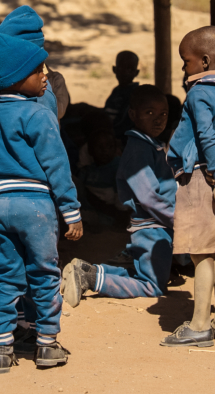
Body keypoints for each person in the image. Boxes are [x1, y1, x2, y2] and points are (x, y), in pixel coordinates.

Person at [0, 31, 82, 373]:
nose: (45, 76)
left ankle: (1, 347)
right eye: (38, 71)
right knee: (45, 275)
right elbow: (57, 167)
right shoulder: (39, 115)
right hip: (37, 206)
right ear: (18, 78)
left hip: (2, 205)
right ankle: (46, 344)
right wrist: (71, 211)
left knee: (7, 276)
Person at [161, 26, 215, 348]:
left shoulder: (198, 94)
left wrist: (214, 175)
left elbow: (206, 136)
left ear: (205, 61)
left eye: (186, 61)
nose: (184, 67)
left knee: (200, 255)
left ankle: (199, 326)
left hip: (199, 180)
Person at [63, 85, 175, 303]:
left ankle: (89, 271)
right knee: (152, 286)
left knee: (142, 272)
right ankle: (90, 280)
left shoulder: (149, 145)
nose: (158, 120)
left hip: (156, 225)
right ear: (132, 115)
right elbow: (148, 197)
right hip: (153, 226)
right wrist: (176, 219)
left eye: (163, 114)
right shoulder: (138, 150)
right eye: (149, 112)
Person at [104, 51, 140, 138]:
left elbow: (123, 122)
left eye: (130, 69)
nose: (125, 72)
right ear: (114, 69)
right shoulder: (116, 90)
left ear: (136, 72)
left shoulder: (135, 94)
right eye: (121, 68)